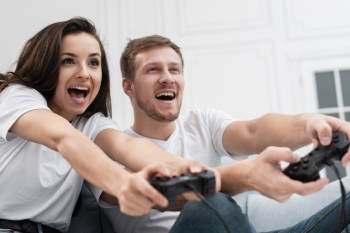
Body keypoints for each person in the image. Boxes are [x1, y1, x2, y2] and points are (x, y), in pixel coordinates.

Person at [101, 34, 350, 232]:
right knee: (207, 201)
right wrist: (244, 177)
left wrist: (311, 124)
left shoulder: (202, 123)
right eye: (153, 70)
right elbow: (170, 196)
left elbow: (254, 131)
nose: (168, 78)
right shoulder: (109, 150)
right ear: (128, 86)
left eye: (174, 69)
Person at [0, 19, 221, 233]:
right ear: (46, 65)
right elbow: (63, 138)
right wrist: (122, 182)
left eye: (93, 63)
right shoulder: (18, 97)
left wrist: (183, 167)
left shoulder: (92, 124)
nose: (84, 73)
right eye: (68, 61)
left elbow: (127, 145)